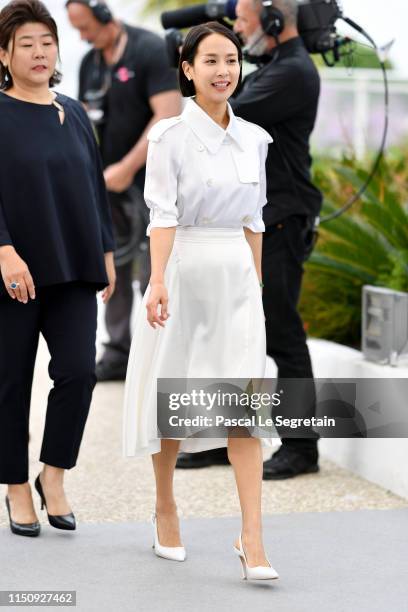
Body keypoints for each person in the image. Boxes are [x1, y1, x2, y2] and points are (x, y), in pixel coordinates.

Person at [123, 22, 279, 581]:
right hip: (184, 271)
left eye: (232, 60)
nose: (223, 71)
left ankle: (252, 538)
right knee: (176, 394)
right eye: (210, 61)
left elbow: (253, 221)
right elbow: (161, 215)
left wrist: (255, 288)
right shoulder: (168, 137)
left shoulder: (256, 139)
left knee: (244, 404)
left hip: (237, 279)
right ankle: (165, 505)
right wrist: (158, 280)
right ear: (187, 69)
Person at [176, 0, 322, 479]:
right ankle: (228, 440)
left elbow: (222, 111)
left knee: (281, 333)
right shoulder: (275, 67)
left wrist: (199, 68)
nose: (237, 30)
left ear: (276, 22)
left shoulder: (294, 73)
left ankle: (302, 448)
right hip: (255, 221)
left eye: (242, 22)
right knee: (232, 336)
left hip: (280, 222)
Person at [0, 0, 115, 537]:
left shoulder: (72, 113)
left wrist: (107, 254)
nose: (40, 51)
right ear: (4, 54)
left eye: (47, 41)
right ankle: (16, 487)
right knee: (9, 383)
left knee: (78, 372)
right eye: (27, 43)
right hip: (12, 272)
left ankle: (53, 474)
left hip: (73, 268)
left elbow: (94, 191)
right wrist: (3, 250)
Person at [66, 0, 182, 382]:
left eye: (86, 27)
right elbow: (82, 118)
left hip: (154, 182)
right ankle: (117, 352)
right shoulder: (91, 62)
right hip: (106, 186)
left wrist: (128, 167)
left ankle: (156, 353)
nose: (83, 36)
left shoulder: (148, 50)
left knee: (153, 267)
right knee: (110, 263)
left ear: (104, 15)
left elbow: (168, 113)